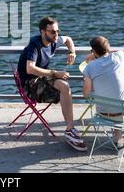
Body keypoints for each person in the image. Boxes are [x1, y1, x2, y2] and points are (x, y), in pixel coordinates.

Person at [17, 16, 87, 151]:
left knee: (65, 87)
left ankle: (69, 130)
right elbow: (30, 68)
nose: (56, 34)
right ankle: (70, 130)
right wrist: (55, 73)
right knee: (64, 88)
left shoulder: (54, 41)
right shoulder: (35, 44)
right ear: (43, 32)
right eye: (52, 32)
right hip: (29, 85)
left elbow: (68, 39)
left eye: (57, 31)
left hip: (41, 80)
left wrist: (72, 52)